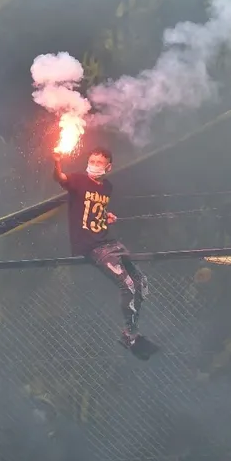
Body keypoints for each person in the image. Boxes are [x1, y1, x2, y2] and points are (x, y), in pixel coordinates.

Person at [53, 148, 151, 354]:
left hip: (108, 240)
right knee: (128, 286)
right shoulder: (78, 180)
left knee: (141, 283)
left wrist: (105, 216)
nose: (94, 165)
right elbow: (60, 178)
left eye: (99, 162)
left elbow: (94, 208)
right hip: (91, 245)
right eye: (92, 160)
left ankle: (133, 329)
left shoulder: (107, 187)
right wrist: (57, 162)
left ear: (108, 166)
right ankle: (130, 334)